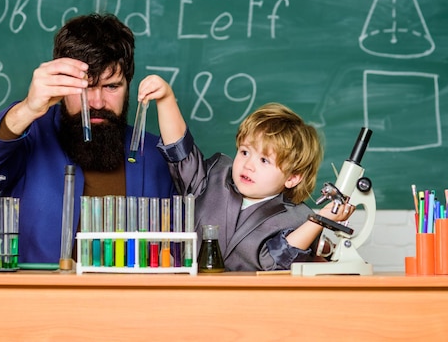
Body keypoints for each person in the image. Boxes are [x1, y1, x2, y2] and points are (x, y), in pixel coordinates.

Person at [0, 13, 175, 264]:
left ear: (128, 85)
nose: (97, 102)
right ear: (62, 85)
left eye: (111, 86)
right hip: (41, 301)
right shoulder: (31, 136)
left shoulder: (153, 154)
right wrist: (27, 109)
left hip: (128, 301)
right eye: (85, 88)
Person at [137, 75, 355, 271]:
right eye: (244, 152)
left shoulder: (296, 219)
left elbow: (277, 260)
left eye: (264, 160)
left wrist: (319, 220)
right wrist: (165, 98)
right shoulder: (213, 176)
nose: (248, 165)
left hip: (251, 306)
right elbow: (180, 151)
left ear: (292, 178)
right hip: (189, 296)